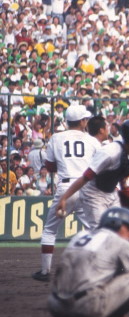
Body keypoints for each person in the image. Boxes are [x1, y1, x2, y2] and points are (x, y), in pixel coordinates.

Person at [47, 207, 129, 317]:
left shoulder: (80, 235)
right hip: (87, 309)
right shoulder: (119, 242)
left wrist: (116, 304)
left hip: (56, 307)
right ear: (117, 225)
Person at [32, 105, 95, 282]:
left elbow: (50, 166)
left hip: (66, 187)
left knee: (50, 231)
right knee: (95, 229)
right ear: (82, 121)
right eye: (85, 119)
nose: (87, 121)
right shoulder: (91, 140)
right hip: (86, 186)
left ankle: (45, 272)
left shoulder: (56, 138)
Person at [56, 119, 129, 229]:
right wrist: (64, 198)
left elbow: (122, 172)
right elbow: (85, 177)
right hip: (93, 194)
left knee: (118, 229)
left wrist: (126, 191)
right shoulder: (110, 152)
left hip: (111, 193)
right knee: (100, 232)